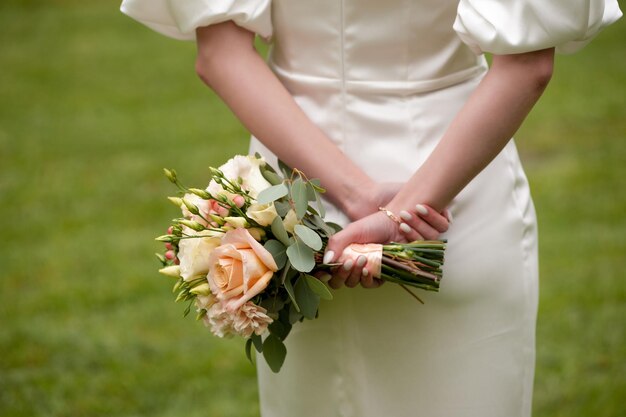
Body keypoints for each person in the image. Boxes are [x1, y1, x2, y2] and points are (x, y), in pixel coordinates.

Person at [121, 1, 622, 416]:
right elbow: (528, 61)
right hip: (449, 189)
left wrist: (356, 196)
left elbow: (221, 53)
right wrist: (402, 209)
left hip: (293, 207)